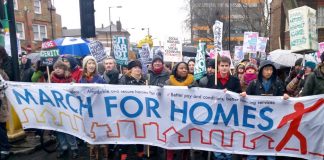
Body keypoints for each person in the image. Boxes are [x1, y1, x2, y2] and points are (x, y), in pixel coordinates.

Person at [240, 60, 289, 160]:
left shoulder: (278, 83)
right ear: (261, 70)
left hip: (272, 119)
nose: (269, 72)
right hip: (256, 118)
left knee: (270, 141)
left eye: (271, 69)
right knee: (254, 140)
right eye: (267, 69)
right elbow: (246, 99)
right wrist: (244, 95)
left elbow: (283, 96)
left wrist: (285, 96)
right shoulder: (253, 83)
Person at [165, 62, 197, 160]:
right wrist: (161, 89)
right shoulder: (168, 82)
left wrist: (195, 90)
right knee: (170, 139)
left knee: (185, 140)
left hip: (187, 116)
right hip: (172, 116)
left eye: (186, 68)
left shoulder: (193, 82)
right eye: (181, 68)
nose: (184, 70)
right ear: (176, 70)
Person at [79, 56, 106, 160]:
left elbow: (106, 92)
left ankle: (103, 152)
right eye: (89, 63)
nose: (91, 65)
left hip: (98, 109)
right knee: (90, 130)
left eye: (93, 63)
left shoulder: (99, 78)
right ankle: (92, 150)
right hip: (87, 109)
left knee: (99, 129)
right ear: (85, 65)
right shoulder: (82, 79)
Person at [50, 60, 79, 159]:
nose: (57, 70)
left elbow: (75, 93)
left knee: (69, 129)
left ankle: (74, 147)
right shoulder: (51, 79)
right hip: (56, 107)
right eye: (56, 68)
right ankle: (64, 147)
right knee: (59, 129)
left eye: (60, 68)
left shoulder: (70, 79)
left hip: (67, 108)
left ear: (64, 69)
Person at [119, 59, 145, 160]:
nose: (137, 69)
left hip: (141, 112)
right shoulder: (124, 79)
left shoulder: (144, 80)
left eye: (139, 67)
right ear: (130, 70)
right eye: (135, 67)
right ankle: (124, 154)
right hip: (127, 111)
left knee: (140, 132)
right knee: (127, 132)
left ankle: (140, 152)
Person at [0, 69, 10, 159]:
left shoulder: (1, 73)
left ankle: (5, 148)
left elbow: (6, 84)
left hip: (1, 103)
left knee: (1, 127)